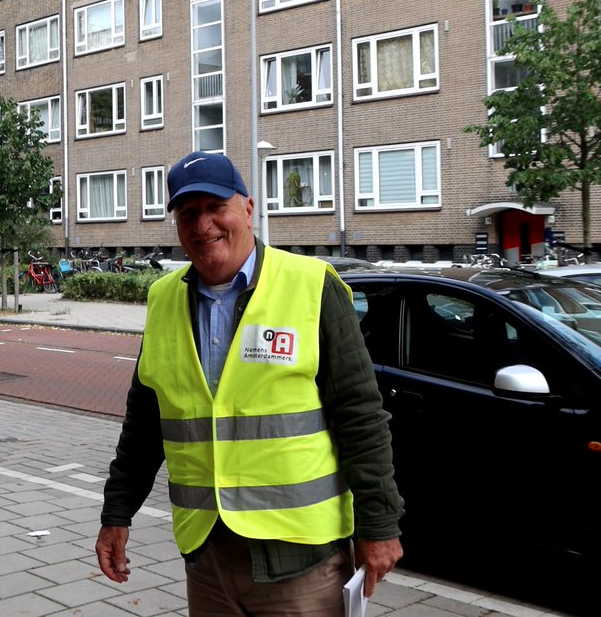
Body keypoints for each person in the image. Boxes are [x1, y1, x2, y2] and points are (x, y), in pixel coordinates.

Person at [95, 151, 404, 616]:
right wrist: (117, 514)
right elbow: (144, 424)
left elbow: (359, 414)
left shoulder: (311, 285)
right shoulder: (162, 300)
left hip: (301, 559)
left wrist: (379, 524)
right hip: (208, 557)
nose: (203, 226)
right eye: (188, 213)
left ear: (248, 209)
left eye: (215, 207)